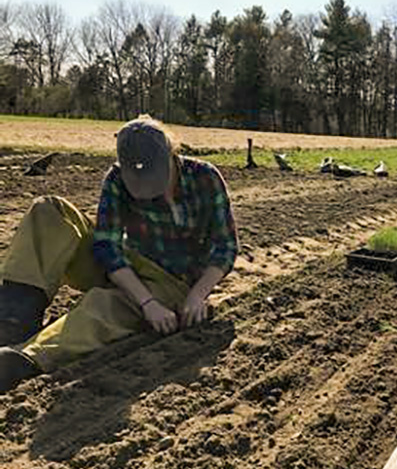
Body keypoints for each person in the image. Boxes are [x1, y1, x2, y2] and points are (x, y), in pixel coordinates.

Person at [0, 115, 238, 392]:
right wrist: (145, 302)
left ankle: (26, 359)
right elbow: (108, 246)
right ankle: (12, 320)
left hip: (171, 282)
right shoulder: (116, 178)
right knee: (49, 210)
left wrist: (196, 296)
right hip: (125, 267)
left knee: (102, 307)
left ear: (171, 154)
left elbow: (225, 247)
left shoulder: (205, 178)